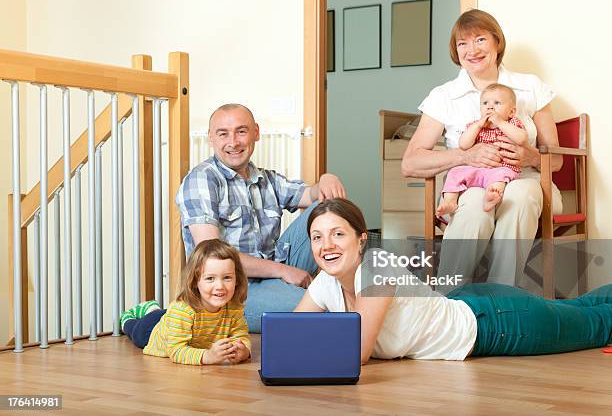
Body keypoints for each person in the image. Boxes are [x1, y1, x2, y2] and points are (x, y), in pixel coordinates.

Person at [295, 199, 612, 364]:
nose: (327, 246)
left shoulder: (377, 267)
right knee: (583, 309)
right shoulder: (327, 281)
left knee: (596, 324)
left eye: (338, 234)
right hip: (470, 302)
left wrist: (308, 345)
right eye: (317, 237)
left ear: (361, 239)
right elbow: (288, 333)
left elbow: (357, 353)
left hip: (496, 324)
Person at [401, 9, 563, 286]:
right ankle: (448, 302)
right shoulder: (444, 96)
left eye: (479, 40)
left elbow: (557, 159)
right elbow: (410, 163)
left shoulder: (530, 87)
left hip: (528, 182)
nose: (471, 50)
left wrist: (531, 157)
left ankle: (502, 300)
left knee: (520, 197)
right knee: (475, 204)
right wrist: (466, 156)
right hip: (472, 186)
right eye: (462, 43)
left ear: (497, 42)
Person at [175, 103, 346, 332]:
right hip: (233, 290)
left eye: (241, 131)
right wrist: (283, 271)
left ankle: (342, 289)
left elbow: (311, 194)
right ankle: (333, 303)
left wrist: (326, 179)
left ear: (255, 132)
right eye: (223, 134)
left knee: (327, 206)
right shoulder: (202, 180)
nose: (233, 142)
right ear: (210, 138)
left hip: (272, 270)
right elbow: (211, 255)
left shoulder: (265, 179)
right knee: (318, 306)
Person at [121, 239, 251, 365]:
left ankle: (153, 309)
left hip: (175, 321)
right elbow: (176, 351)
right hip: (150, 331)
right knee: (133, 329)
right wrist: (208, 356)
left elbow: (241, 336)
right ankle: (132, 316)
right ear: (195, 281)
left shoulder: (234, 307)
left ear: (237, 279)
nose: (220, 286)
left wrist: (243, 351)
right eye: (210, 278)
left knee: (166, 315)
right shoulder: (182, 310)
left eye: (227, 278)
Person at [437, 83, 527, 216]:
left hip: (501, 168)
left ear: (511, 112)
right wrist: (478, 125)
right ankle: (450, 201)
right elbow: (463, 144)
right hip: (477, 168)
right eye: (485, 103)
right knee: (455, 172)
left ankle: (491, 198)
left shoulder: (512, 123)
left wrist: (500, 123)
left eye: (497, 103)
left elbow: (521, 139)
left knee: (500, 176)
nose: (490, 106)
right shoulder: (476, 125)